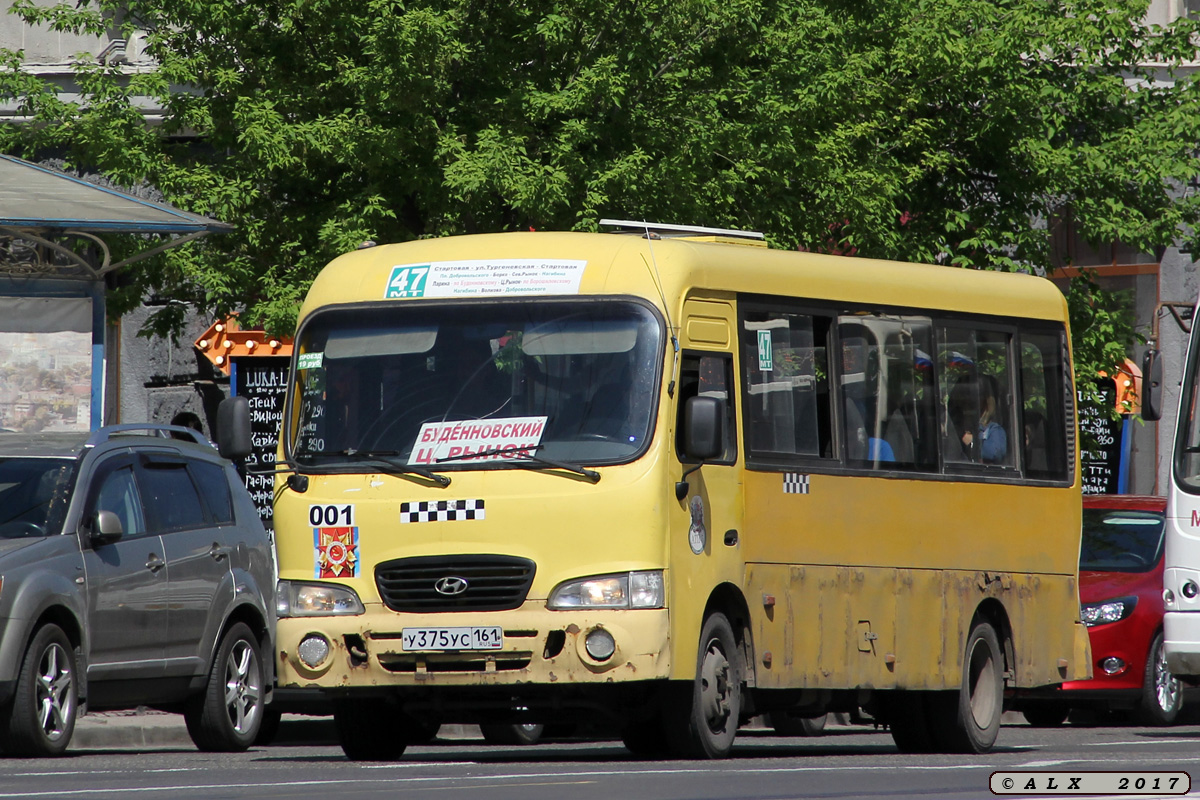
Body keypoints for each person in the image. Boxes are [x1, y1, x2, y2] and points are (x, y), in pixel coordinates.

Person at [962, 374, 1007, 463]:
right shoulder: (957, 427)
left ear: (986, 400)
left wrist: (973, 443)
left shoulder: (994, 430)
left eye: (975, 395)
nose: (968, 400)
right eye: (965, 395)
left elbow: (996, 453)